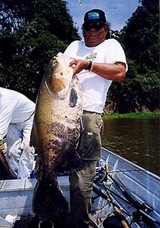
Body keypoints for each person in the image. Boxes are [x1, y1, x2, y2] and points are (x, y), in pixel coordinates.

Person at [64, 9, 127, 228]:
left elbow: (119, 73)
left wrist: (88, 65)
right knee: (49, 162)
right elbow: (59, 75)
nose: (92, 31)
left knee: (83, 173)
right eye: (88, 27)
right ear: (82, 29)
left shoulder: (111, 46)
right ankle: (53, 209)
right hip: (63, 114)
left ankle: (79, 222)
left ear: (105, 29)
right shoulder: (74, 46)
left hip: (89, 115)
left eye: (97, 27)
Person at [0, 87, 35, 179]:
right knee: (11, 152)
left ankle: (24, 178)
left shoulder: (6, 99)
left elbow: (1, 130)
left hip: (30, 118)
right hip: (12, 122)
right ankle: (16, 178)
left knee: (28, 149)